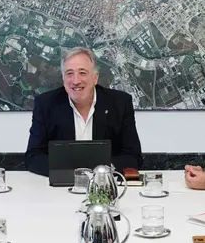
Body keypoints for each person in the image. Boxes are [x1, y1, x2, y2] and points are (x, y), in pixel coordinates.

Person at [25, 47, 143, 176]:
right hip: (60, 187)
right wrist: (72, 171)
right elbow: (33, 157)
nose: (76, 81)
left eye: (82, 73)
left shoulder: (119, 103)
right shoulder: (46, 104)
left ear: (95, 78)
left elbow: (133, 156)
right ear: (63, 78)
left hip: (105, 185)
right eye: (69, 73)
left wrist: (100, 171)